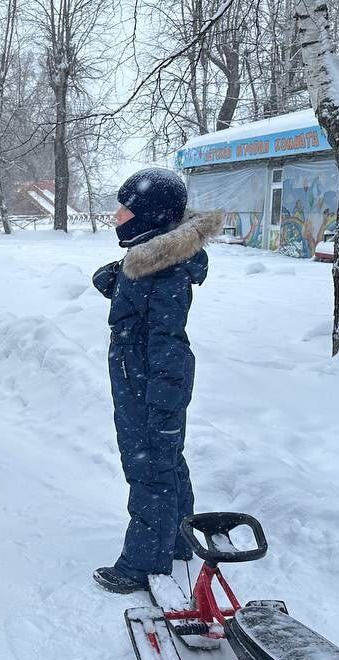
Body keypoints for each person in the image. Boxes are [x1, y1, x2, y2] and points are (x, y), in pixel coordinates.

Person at [89, 168, 222, 594]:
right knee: (165, 460)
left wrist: (163, 403)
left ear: (149, 217)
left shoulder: (164, 273)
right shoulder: (153, 260)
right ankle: (179, 538)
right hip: (140, 377)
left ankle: (144, 562)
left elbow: (167, 341)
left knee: (148, 466)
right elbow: (144, 295)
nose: (116, 217)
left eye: (125, 210)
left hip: (151, 383)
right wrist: (120, 276)